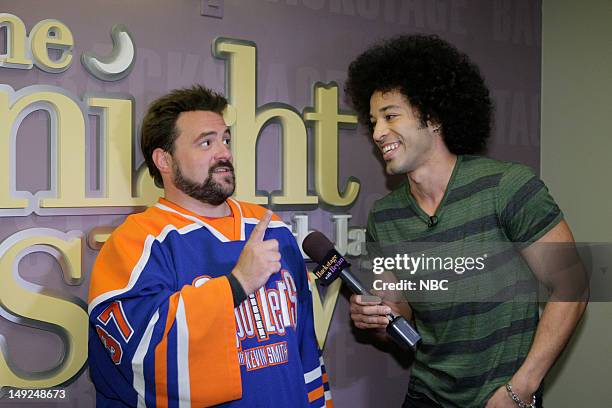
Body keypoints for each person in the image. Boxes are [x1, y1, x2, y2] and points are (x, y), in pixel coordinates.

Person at [344, 35, 587, 408]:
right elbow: (401, 316)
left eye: (391, 116)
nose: (377, 133)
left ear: (434, 116)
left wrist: (520, 389)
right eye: (374, 121)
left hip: (505, 397)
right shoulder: (385, 216)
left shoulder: (505, 186)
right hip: (426, 396)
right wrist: (378, 317)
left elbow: (572, 286)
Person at [87, 85, 332, 407]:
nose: (224, 153)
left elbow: (303, 345)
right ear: (164, 159)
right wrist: (236, 284)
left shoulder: (270, 227)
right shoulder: (135, 242)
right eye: (206, 142)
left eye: (225, 140)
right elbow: (141, 355)